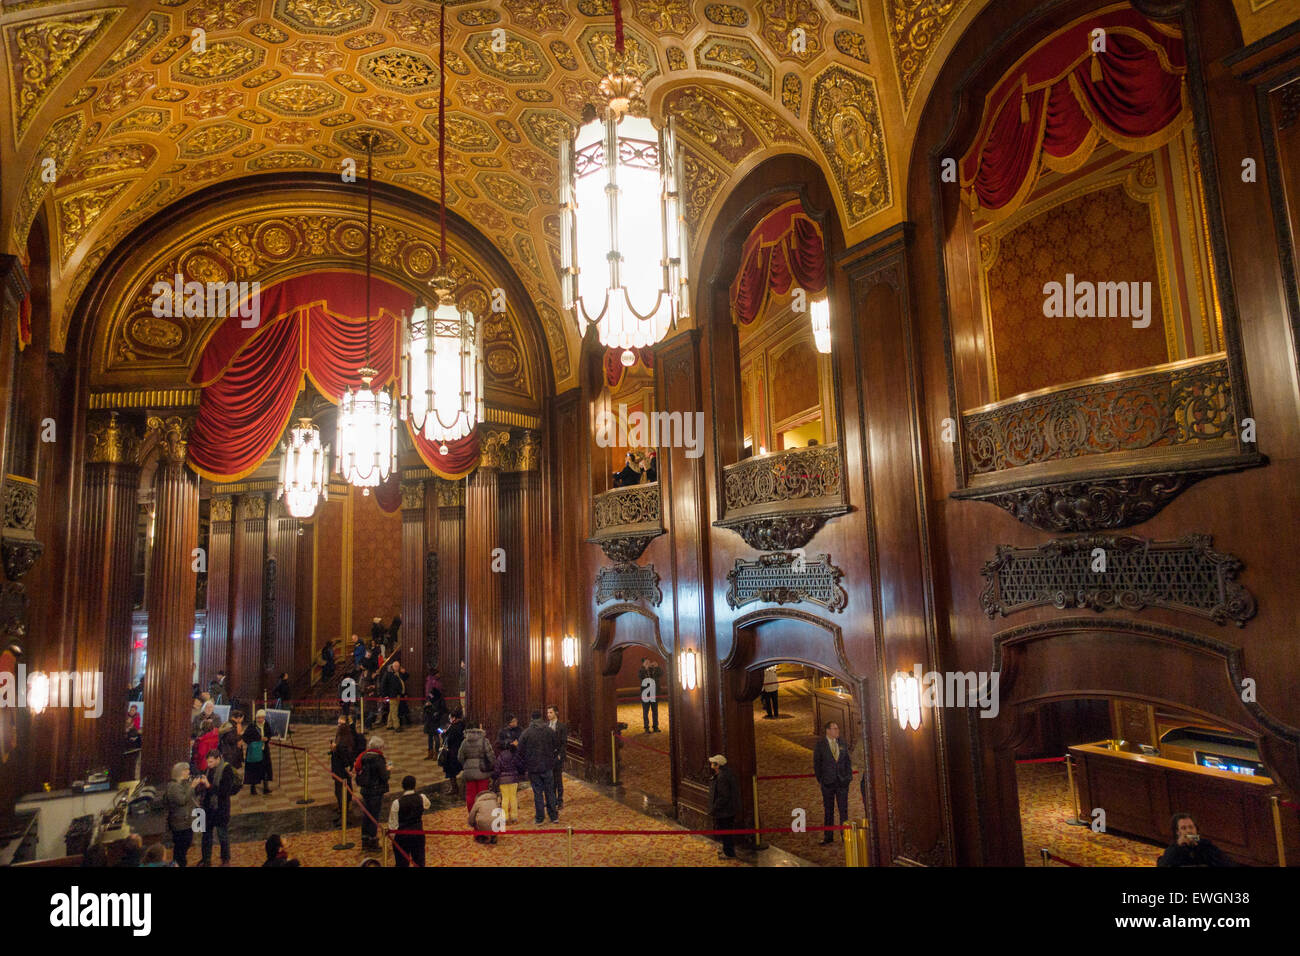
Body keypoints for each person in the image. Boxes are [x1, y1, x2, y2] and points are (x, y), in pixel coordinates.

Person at [813, 721, 853, 844]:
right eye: (834, 728)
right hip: (828, 783)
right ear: (828, 731)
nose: (837, 731)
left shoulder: (842, 742)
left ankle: (845, 836)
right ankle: (828, 837)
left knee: (843, 810)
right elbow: (817, 764)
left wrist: (848, 777)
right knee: (828, 811)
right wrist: (821, 780)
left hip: (842, 782)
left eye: (837, 728)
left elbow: (847, 761)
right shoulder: (820, 745)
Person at [153, 762, 199, 867]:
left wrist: (191, 784)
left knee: (184, 845)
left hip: (186, 820)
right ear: (180, 772)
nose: (189, 772)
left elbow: (189, 795)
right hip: (179, 823)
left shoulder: (183, 783)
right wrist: (192, 786)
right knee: (180, 848)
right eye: (186, 770)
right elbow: (182, 800)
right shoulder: (174, 786)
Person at [196, 749, 236, 866]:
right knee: (206, 835)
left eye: (211, 762)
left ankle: (225, 859)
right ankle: (206, 859)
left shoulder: (226, 770)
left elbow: (224, 792)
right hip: (208, 808)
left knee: (222, 835)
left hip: (220, 808)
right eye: (208, 762)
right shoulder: (209, 769)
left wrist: (209, 785)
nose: (209, 765)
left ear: (218, 759)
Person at [519, 710, 559, 825]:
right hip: (548, 766)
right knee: (550, 792)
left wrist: (527, 761)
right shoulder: (549, 731)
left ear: (531, 718)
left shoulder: (527, 733)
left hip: (533, 768)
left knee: (537, 793)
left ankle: (540, 818)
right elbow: (556, 745)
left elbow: (520, 750)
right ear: (541, 718)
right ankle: (553, 816)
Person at [353, 736, 391, 852]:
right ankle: (373, 841)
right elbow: (384, 776)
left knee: (366, 815)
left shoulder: (364, 756)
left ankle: (365, 840)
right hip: (376, 791)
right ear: (379, 747)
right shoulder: (378, 759)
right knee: (374, 816)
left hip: (365, 790)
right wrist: (388, 769)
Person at [1157, 814, 1237, 867]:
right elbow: (1163, 865)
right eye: (1183, 828)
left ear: (1196, 829)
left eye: (1191, 827)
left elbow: (1227, 863)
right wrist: (1178, 847)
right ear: (1178, 832)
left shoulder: (1206, 845)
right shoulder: (1173, 849)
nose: (1189, 831)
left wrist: (1201, 847)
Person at [388, 774, 431, 867]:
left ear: (402, 786)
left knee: (402, 862)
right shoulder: (422, 797)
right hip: (418, 833)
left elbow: (393, 823)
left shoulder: (397, 803)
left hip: (402, 836)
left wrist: (393, 838)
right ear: (414, 785)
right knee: (419, 861)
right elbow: (428, 805)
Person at [458, 719, 495, 811]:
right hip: (483, 771)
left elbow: (460, 757)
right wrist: (491, 766)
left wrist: (466, 765)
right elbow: (490, 756)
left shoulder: (464, 742)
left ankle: (472, 812)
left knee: (470, 795)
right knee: (482, 795)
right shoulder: (484, 741)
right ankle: (482, 812)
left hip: (469, 773)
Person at [329, 715, 360, 824]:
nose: (338, 726)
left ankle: (344, 816)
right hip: (340, 770)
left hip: (341, 771)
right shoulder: (342, 736)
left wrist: (335, 749)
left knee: (341, 793)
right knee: (339, 792)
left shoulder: (345, 739)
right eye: (338, 723)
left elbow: (344, 756)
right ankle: (342, 812)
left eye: (341, 724)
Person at [708, 754, 740, 859]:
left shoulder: (722, 777)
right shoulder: (726, 773)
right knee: (726, 831)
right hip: (728, 809)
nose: (711, 764)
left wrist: (714, 808)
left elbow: (723, 796)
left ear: (718, 765)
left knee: (726, 832)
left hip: (725, 811)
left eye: (713, 763)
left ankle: (728, 853)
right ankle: (727, 850)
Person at [493, 734, 523, 825]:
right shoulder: (514, 755)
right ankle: (514, 817)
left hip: (503, 781)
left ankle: (505, 818)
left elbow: (497, 770)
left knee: (505, 799)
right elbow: (519, 765)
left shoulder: (500, 756)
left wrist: (495, 777)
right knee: (513, 798)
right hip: (513, 780)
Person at [244, 709, 274, 795]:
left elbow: (269, 734)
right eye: (258, 718)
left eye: (262, 718)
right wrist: (259, 739)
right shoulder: (252, 726)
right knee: (253, 769)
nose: (260, 720)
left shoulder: (266, 724)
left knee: (265, 769)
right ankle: (253, 788)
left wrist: (267, 738)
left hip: (264, 751)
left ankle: (266, 788)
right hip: (254, 752)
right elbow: (245, 737)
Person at [547, 705, 568, 810]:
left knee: (558, 779)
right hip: (548, 757)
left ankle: (560, 800)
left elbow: (564, 743)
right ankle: (552, 800)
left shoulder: (562, 726)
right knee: (550, 780)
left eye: (550, 712)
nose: (548, 715)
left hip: (557, 756)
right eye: (548, 713)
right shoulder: (546, 726)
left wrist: (560, 755)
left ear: (556, 713)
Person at [441, 709, 465, 791]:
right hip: (461, 750)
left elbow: (449, 739)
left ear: (454, 718)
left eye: (450, 718)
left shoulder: (453, 727)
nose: (450, 720)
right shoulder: (462, 725)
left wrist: (443, 734)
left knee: (450, 770)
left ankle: (454, 788)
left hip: (453, 752)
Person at [637, 658, 661, 733]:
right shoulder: (641, 670)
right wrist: (645, 669)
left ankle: (655, 727)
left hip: (654, 694)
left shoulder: (653, 669)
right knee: (645, 711)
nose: (648, 663)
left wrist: (657, 667)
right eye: (646, 662)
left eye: (649, 662)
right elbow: (640, 676)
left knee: (655, 711)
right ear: (643, 664)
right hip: (645, 694)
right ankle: (646, 728)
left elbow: (661, 674)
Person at [381, 659, 404, 732]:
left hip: (397, 694)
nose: (397, 668)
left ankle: (389, 724)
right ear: (392, 666)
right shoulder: (388, 674)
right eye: (396, 666)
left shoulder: (398, 673)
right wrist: (385, 695)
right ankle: (396, 726)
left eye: (398, 666)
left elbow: (406, 677)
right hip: (392, 695)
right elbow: (383, 685)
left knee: (392, 710)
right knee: (394, 711)